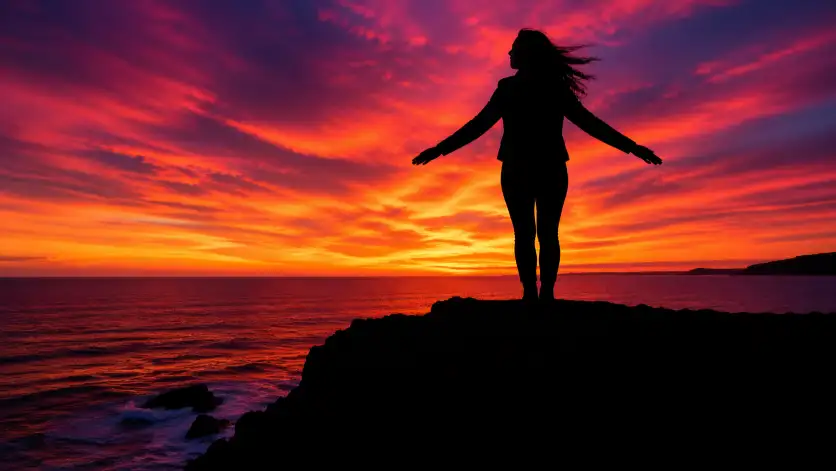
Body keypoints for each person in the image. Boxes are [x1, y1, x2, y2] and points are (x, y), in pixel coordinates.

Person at [412, 28, 662, 302]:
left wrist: (632, 147)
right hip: (538, 168)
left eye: (514, 48)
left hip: (533, 168)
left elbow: (588, 123)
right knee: (538, 233)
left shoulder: (528, 89)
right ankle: (538, 294)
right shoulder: (526, 88)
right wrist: (440, 149)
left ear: (527, 54)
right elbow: (479, 125)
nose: (509, 52)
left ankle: (538, 294)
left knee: (535, 233)